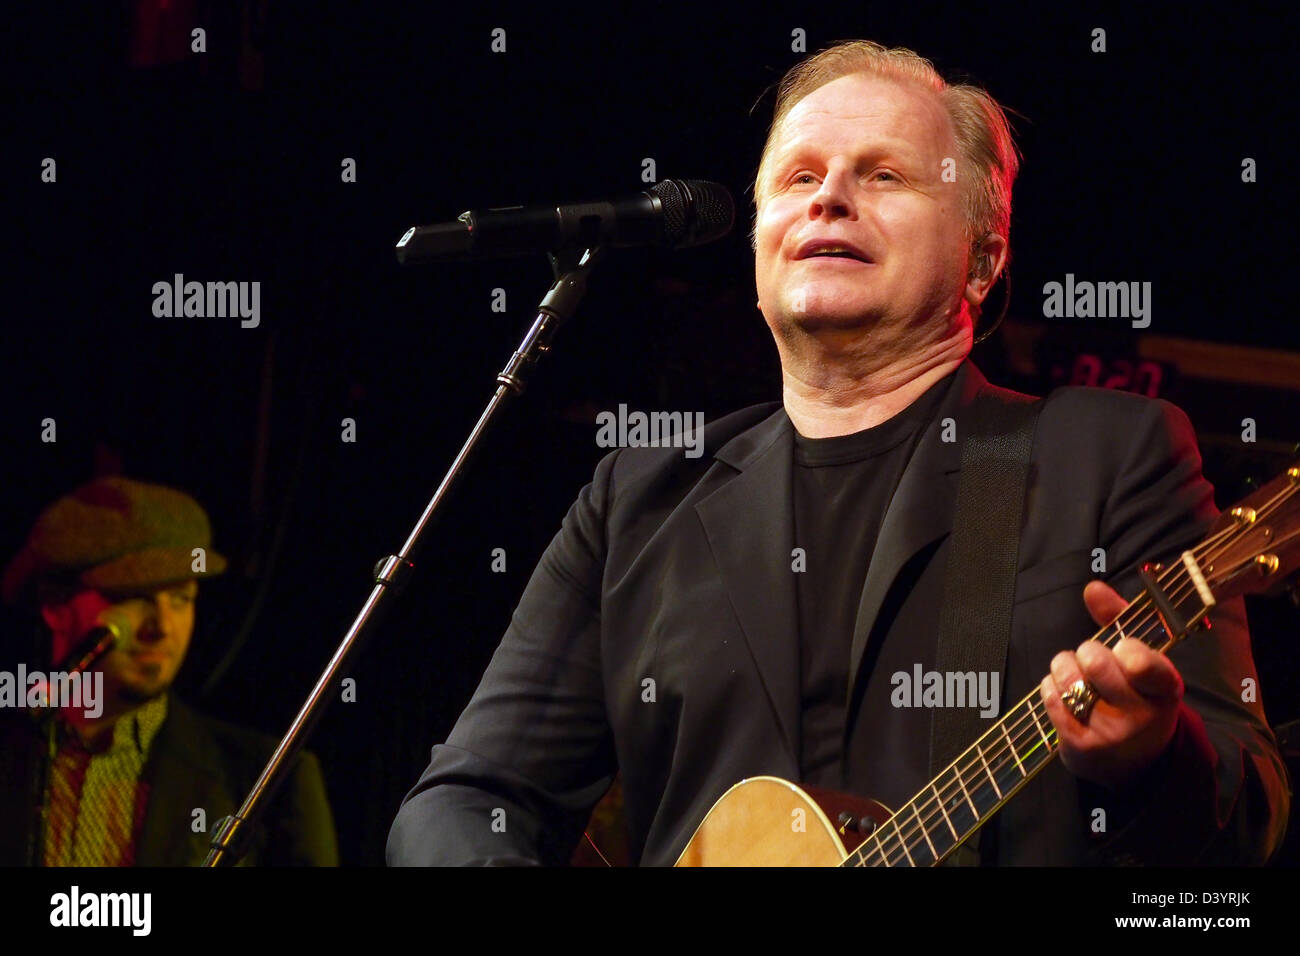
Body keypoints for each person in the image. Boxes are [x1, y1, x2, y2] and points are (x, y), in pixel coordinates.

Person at [386, 40, 1290, 866]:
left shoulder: (1104, 454)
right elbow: (464, 803)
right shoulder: (642, 499)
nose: (827, 197)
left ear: (983, 258)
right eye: (798, 178)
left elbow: (1245, 823)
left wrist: (1155, 757)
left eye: (885, 175)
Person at [0, 475, 339, 866]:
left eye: (181, 599)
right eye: (133, 598)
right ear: (56, 606)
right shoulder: (16, 750)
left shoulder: (268, 780)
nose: (161, 627)